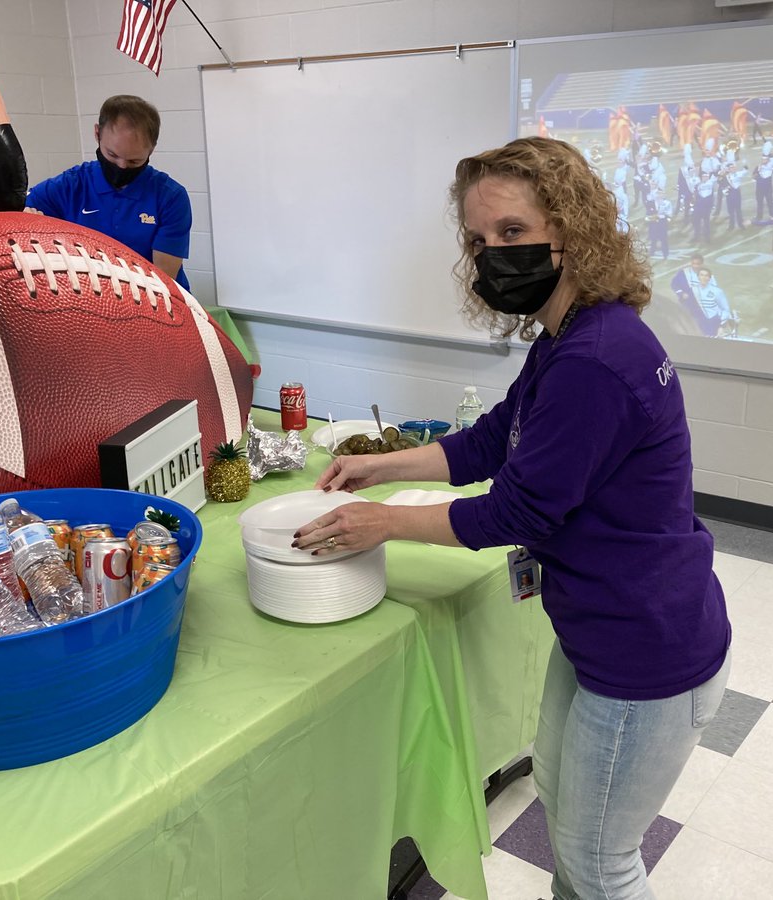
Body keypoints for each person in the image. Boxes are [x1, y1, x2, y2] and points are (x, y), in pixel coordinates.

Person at [293, 137, 731, 900]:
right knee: (569, 818)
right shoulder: (572, 335)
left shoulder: (596, 358)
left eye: (512, 233)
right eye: (478, 239)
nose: (492, 254)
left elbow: (521, 507)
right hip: (600, 632)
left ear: (571, 230)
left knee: (602, 863)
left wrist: (383, 523)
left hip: (645, 653)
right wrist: (385, 464)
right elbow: (498, 438)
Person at [24, 95, 194, 290]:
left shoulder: (170, 197)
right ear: (97, 134)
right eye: (112, 155)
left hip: (153, 300)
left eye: (134, 161)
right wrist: (26, 219)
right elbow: (13, 213)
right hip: (90, 298)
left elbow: (163, 281)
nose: (121, 166)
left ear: (152, 149)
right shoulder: (70, 186)